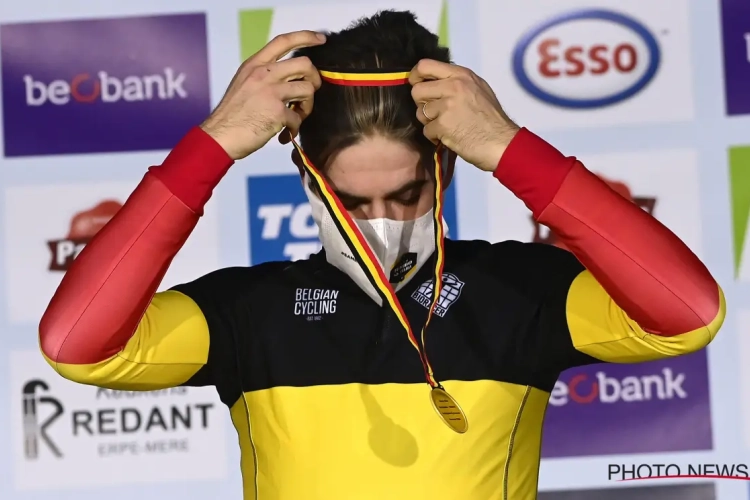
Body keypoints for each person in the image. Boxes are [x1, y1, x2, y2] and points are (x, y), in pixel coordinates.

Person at [38, 10, 725, 500]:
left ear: (445, 169)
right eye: (352, 201)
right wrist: (213, 143)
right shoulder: (247, 311)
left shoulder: (523, 293)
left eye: (405, 194)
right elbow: (76, 345)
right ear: (310, 181)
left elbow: (689, 313)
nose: (381, 223)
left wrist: (511, 149)